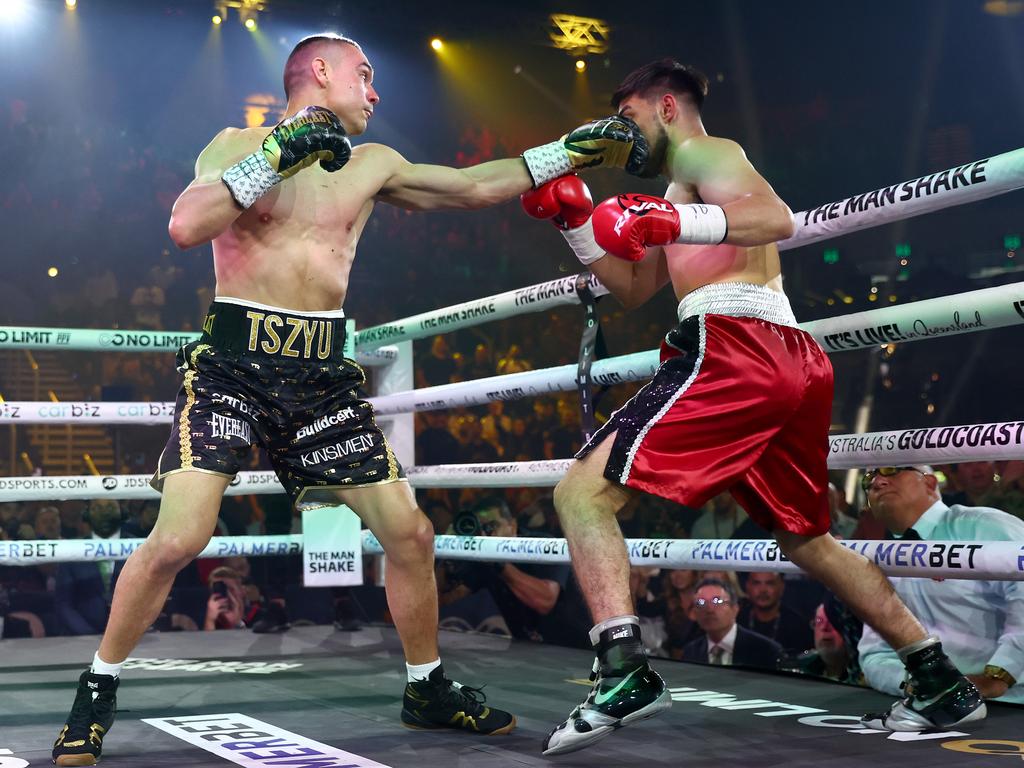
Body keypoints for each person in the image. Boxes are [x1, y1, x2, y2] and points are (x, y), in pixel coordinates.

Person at [51, 31, 648, 766]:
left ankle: (425, 685)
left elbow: (472, 186)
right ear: (321, 72)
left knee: (411, 535)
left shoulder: (374, 165)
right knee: (180, 538)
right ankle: (97, 688)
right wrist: (280, 150)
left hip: (323, 377)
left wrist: (572, 151)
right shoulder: (236, 143)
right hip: (233, 366)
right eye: (365, 75)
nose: (375, 91)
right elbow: (185, 224)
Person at [522, 58, 985, 755]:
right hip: (788, 359)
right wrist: (577, 225)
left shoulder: (707, 151)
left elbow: (777, 217)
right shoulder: (685, 190)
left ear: (667, 106)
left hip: (737, 345)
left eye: (629, 119)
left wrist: (663, 213)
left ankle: (622, 667)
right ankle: (940, 677)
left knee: (582, 493)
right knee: (807, 541)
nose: (623, 137)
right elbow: (635, 289)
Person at [858, 465, 1024, 704]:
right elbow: (874, 653)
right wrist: (919, 684)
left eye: (891, 470)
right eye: (868, 478)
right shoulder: (881, 556)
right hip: (932, 707)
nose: (877, 482)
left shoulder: (983, 526)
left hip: (1012, 704)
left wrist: (998, 675)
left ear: (930, 483)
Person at [681, 578, 782, 670]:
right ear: (694, 612)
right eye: (701, 603)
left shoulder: (766, 650)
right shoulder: (691, 652)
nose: (709, 609)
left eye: (717, 601)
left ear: (735, 608)